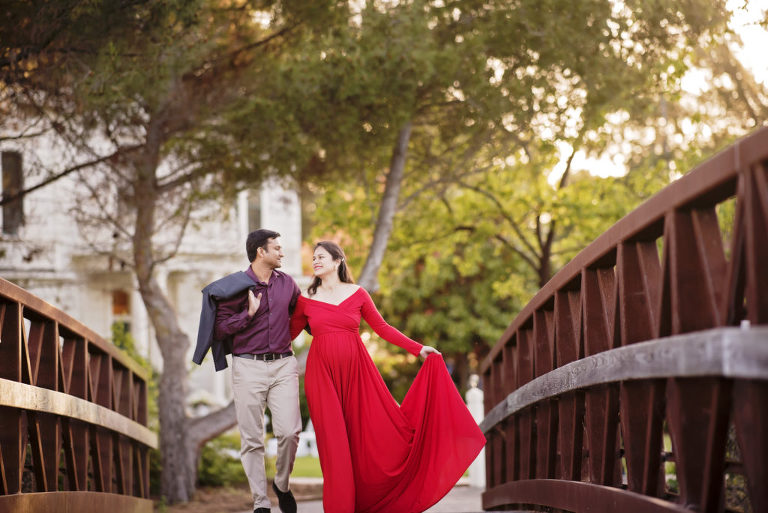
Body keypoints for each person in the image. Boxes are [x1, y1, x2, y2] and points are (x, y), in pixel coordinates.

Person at [289, 241, 486, 513]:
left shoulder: (357, 294)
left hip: (358, 376)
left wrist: (418, 348)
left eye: (321, 257)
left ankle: (373, 501)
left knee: (368, 440)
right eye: (314, 258)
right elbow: (285, 335)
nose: (315, 261)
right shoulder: (305, 300)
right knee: (334, 450)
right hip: (322, 379)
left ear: (338, 261)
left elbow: (382, 327)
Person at [193, 229, 301, 513]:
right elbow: (220, 329)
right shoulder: (235, 288)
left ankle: (281, 484)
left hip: (283, 365)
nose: (282, 252)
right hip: (247, 367)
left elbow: (303, 316)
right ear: (260, 252)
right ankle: (260, 503)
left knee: (289, 432)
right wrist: (248, 314)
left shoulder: (288, 284)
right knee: (252, 439)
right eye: (276, 248)